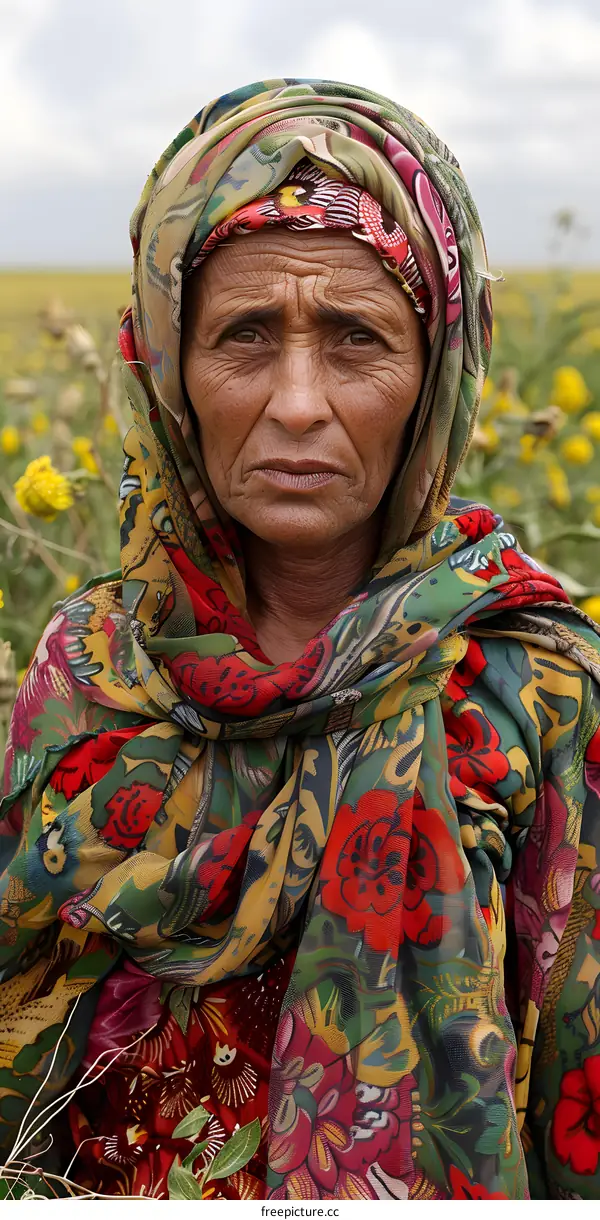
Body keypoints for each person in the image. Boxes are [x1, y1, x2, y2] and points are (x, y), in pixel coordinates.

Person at [1, 78, 600, 1203]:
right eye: (242, 336)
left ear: (436, 376)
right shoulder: (89, 665)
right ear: (169, 366)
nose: (296, 402)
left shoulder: (533, 687)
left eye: (357, 339)